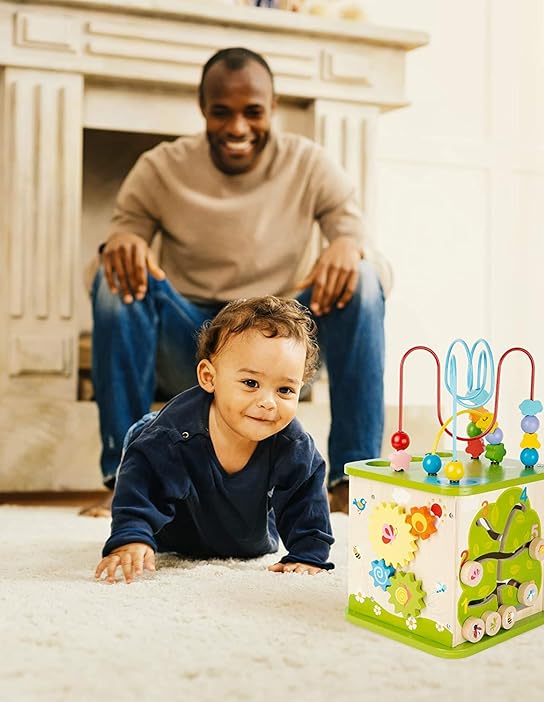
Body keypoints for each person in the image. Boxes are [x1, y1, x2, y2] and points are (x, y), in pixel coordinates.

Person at [84, 46, 387, 517]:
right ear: (203, 109)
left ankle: (351, 480)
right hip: (191, 346)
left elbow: (378, 269)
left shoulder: (310, 164)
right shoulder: (160, 167)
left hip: (279, 345)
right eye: (221, 112)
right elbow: (108, 266)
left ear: (273, 107)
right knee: (115, 277)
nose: (238, 128)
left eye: (253, 112)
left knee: (363, 280)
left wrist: (352, 248)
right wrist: (120, 245)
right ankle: (126, 474)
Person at [95, 296, 334, 583]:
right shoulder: (173, 435)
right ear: (209, 378)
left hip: (249, 539)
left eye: (285, 389)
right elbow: (143, 485)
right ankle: (144, 430)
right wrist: (131, 537)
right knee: (146, 437)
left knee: (294, 473)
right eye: (250, 383)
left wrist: (307, 555)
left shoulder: (293, 445)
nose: (268, 402)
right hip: (172, 532)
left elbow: (306, 502)